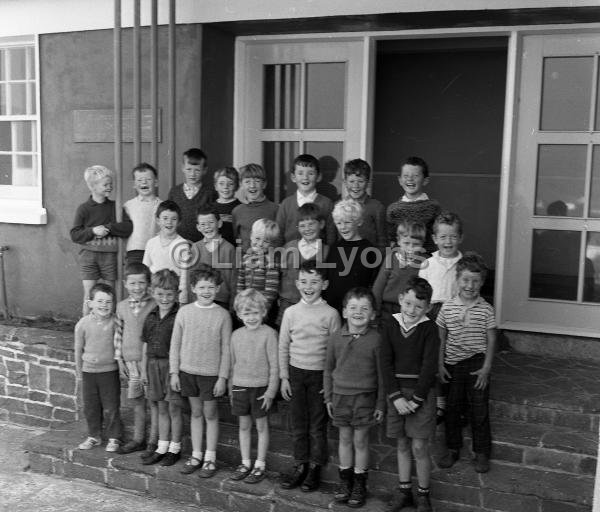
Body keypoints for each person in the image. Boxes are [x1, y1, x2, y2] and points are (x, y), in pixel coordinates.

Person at [279, 260, 341, 492]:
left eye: (314, 282)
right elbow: (283, 345)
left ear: (324, 284)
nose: (308, 286)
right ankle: (300, 464)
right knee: (298, 424)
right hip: (296, 374)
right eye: (304, 281)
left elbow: (336, 352)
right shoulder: (291, 312)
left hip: (319, 377)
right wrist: (284, 376)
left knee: (317, 426)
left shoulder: (331, 314)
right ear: (297, 283)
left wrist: (330, 382)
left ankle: (315, 468)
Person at [380, 277, 439, 512]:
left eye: (419, 306)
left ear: (428, 308)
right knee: (402, 444)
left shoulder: (429, 329)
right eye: (409, 303)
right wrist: (395, 396)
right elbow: (385, 362)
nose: (412, 310)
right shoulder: (390, 324)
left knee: (419, 447)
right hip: (396, 394)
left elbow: (429, 366)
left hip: (420, 395)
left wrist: (416, 399)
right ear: (401, 299)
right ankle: (404, 491)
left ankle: (423, 495)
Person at [436, 252, 496, 474]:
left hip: (477, 364)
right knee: (452, 408)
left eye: (476, 281)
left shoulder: (486, 309)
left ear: (482, 282)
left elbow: (491, 338)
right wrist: (440, 364)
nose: (470, 285)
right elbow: (441, 336)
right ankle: (453, 448)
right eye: (465, 280)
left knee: (479, 409)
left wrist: (487, 368)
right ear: (457, 280)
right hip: (452, 364)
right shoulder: (447, 308)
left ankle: (481, 452)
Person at [324, 288, 384, 508]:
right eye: (353, 307)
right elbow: (328, 369)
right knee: (345, 439)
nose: (359, 312)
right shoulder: (335, 338)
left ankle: (360, 483)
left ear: (373, 314)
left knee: (360, 441)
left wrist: (380, 402)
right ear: (344, 312)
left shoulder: (377, 340)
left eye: (364, 308)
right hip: (340, 397)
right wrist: (328, 396)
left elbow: (381, 374)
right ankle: (345, 482)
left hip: (365, 398)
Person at [169, 265, 231, 477]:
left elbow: (226, 350)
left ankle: (210, 458)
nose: (207, 291)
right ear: (193, 288)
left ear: (217, 289)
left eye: (211, 287)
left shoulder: (223, 315)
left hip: (211, 375)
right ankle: (196, 455)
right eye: (202, 287)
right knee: (195, 413)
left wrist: (223, 377)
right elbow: (175, 344)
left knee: (211, 414)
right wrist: (174, 372)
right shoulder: (184, 312)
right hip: (188, 372)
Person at [229, 289, 279, 484]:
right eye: (246, 313)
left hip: (261, 389)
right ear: (239, 315)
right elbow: (232, 364)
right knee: (243, 425)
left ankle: (260, 464)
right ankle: (245, 462)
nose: (251, 317)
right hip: (240, 387)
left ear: (263, 312)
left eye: (255, 313)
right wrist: (230, 388)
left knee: (261, 426)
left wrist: (270, 392)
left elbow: (274, 365)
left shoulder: (269, 334)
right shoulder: (235, 335)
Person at [418, 211, 464, 422]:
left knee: (453, 358)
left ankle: (457, 403)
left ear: (460, 238)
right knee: (434, 357)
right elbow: (421, 293)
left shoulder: (464, 264)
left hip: (456, 314)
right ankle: (439, 403)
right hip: (433, 313)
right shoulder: (428, 263)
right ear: (435, 239)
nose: (448, 241)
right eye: (443, 237)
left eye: (453, 236)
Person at [70, 165, 133, 315]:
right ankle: (85, 327)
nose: (110, 187)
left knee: (110, 293)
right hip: (88, 257)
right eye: (105, 184)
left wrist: (108, 228)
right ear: (92, 186)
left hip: (110, 256)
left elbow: (127, 227)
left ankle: (110, 327)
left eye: (111, 184)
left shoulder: (115, 207)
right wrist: (93, 231)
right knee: (89, 294)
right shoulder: (83, 209)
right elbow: (75, 234)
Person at [139, 269, 184, 466]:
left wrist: (177, 371)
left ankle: (175, 448)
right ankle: (162, 446)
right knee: (161, 407)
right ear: (152, 292)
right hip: (153, 365)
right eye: (160, 294)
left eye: (169, 294)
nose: (165, 299)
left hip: (172, 366)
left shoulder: (180, 316)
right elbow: (145, 344)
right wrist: (143, 370)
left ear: (177, 294)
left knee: (174, 408)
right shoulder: (151, 315)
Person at [74, 283, 122, 452]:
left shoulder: (115, 322)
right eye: (100, 301)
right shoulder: (83, 324)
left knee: (111, 406)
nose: (104, 305)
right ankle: (94, 436)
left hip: (109, 372)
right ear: (90, 303)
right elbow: (78, 349)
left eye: (109, 302)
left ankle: (114, 438)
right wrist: (79, 373)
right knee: (91, 406)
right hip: (88, 373)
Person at [114, 262, 155, 456]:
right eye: (132, 283)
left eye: (141, 283)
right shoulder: (121, 307)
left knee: (154, 401)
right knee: (138, 401)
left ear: (148, 283)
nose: (137, 287)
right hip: (130, 363)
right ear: (125, 284)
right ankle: (138, 439)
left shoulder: (154, 304)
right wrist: (119, 359)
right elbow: (118, 334)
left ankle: (154, 442)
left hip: (150, 363)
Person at [324, 200, 380, 316]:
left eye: (347, 222)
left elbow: (374, 282)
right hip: (332, 308)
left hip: (356, 309)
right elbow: (327, 276)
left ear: (359, 222)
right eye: (339, 223)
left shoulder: (369, 250)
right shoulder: (334, 248)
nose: (343, 227)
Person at [277, 202, 329, 325]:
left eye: (311, 224)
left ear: (321, 224)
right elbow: (280, 274)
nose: (307, 229)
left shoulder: (327, 251)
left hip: (314, 305)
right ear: (297, 227)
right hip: (288, 302)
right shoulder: (288, 248)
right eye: (302, 225)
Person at [372, 220, 426, 327]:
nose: (410, 249)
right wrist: (375, 313)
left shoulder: (425, 262)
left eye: (415, 244)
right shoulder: (391, 259)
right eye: (406, 243)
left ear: (422, 244)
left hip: (412, 310)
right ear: (399, 241)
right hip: (388, 309)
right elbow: (378, 289)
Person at [276, 153, 336, 246]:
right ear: (293, 177)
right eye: (300, 173)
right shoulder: (286, 204)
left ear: (318, 177)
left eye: (310, 173)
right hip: (290, 256)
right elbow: (278, 235)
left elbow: (331, 236)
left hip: (318, 257)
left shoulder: (327, 204)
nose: (305, 177)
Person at [386, 156, 441, 255]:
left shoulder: (433, 207)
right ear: (400, 180)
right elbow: (391, 241)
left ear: (425, 180)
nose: (410, 179)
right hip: (402, 263)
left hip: (427, 262)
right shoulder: (393, 209)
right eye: (406, 176)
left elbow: (438, 238)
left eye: (415, 175)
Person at [189, 207, 236, 310]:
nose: (207, 227)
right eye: (203, 224)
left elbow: (234, 281)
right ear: (198, 227)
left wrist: (233, 306)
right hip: (199, 300)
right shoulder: (195, 248)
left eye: (211, 222)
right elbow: (191, 278)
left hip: (222, 302)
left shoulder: (229, 249)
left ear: (219, 223)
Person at [143, 200, 189, 303]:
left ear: (179, 222)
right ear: (158, 220)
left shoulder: (182, 244)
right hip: (154, 292)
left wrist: (183, 294)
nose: (169, 222)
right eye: (165, 218)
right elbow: (146, 269)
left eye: (174, 219)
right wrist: (147, 290)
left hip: (173, 292)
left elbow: (184, 273)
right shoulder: (151, 243)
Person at [236, 218, 281, 324]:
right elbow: (240, 282)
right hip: (246, 306)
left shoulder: (271, 261)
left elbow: (271, 290)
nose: (260, 244)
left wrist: (262, 310)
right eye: (257, 238)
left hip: (261, 310)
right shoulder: (246, 257)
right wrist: (240, 303)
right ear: (251, 236)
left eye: (266, 241)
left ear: (271, 243)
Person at [167, 148, 216, 243]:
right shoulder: (174, 192)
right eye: (189, 169)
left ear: (204, 170)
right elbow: (169, 215)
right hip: (178, 242)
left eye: (197, 170)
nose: (192, 174)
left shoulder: (210, 193)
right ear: (183, 168)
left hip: (203, 243)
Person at [232, 164, 279, 252]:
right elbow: (236, 239)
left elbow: (279, 239)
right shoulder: (237, 211)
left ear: (264, 184)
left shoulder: (275, 209)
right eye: (247, 182)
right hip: (244, 261)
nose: (252, 185)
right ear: (241, 184)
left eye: (257, 181)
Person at [342, 159, 386, 252]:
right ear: (345, 182)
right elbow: (334, 239)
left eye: (360, 181)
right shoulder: (338, 207)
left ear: (368, 183)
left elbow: (382, 241)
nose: (356, 185)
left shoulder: (377, 207)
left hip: (369, 260)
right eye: (351, 181)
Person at [123, 163, 162, 266]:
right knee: (136, 278)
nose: (144, 182)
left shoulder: (162, 205)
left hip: (156, 250)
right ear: (134, 184)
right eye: (139, 180)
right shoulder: (128, 206)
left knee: (154, 280)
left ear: (156, 182)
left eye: (148, 179)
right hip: (134, 251)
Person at [212, 167, 242, 246]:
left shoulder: (241, 208)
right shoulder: (209, 208)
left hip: (234, 251)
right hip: (214, 251)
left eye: (230, 183)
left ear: (236, 186)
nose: (226, 187)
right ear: (215, 186)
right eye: (221, 183)